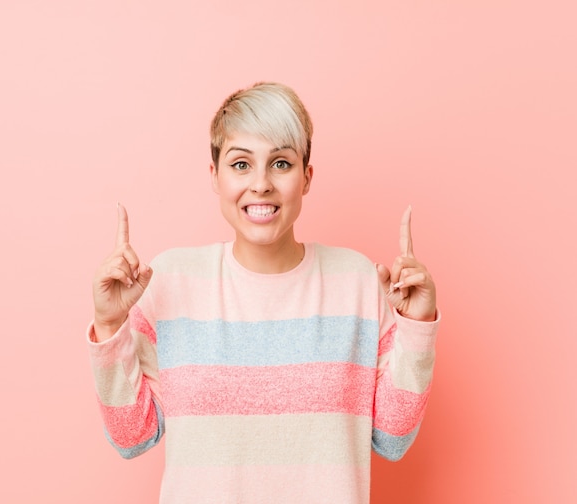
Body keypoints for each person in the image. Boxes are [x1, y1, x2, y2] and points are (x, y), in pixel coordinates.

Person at [87, 82, 439, 503]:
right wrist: (110, 325)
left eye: (280, 163)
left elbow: (392, 438)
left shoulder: (357, 282)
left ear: (306, 178)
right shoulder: (170, 280)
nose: (260, 184)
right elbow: (132, 437)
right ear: (214, 176)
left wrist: (416, 327)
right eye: (240, 164)